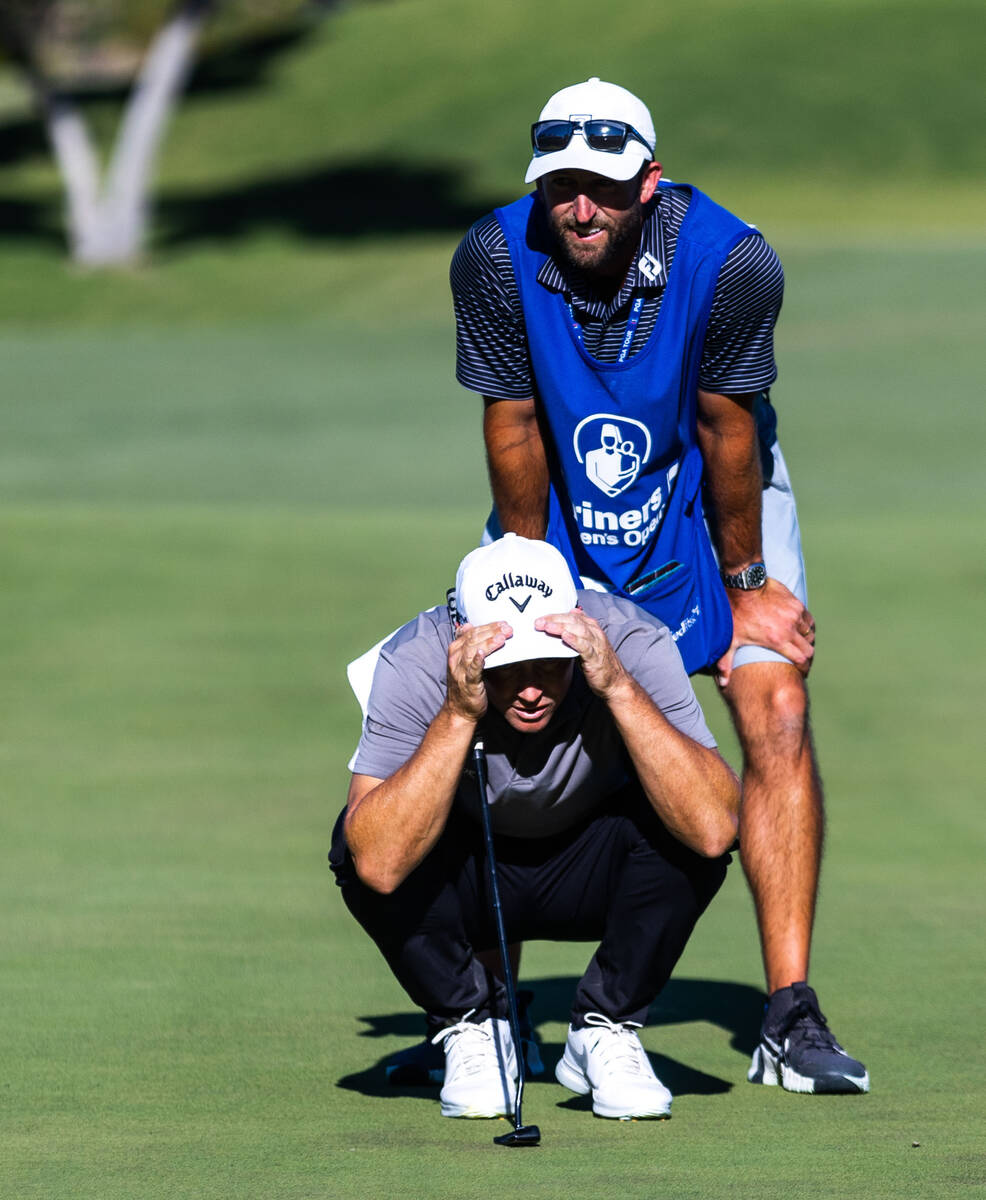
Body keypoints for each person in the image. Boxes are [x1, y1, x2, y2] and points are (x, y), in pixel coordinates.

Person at [449, 77, 869, 1094]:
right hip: (556, 481)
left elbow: (727, 431)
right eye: (559, 187)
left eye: (599, 186)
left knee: (770, 704)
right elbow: (509, 425)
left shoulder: (729, 260)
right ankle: (482, 1007)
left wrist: (747, 587)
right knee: (510, 694)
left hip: (710, 486)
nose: (578, 207)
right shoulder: (493, 256)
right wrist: (526, 582)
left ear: (647, 179)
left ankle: (786, 1014)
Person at [331, 534, 739, 1121]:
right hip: (469, 870)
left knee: (693, 817)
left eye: (549, 666)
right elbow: (376, 860)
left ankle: (606, 1027)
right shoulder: (415, 659)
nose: (529, 691)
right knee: (355, 839)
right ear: (464, 635)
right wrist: (458, 712)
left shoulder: (631, 640)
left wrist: (618, 686)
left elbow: (713, 827)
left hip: (592, 863)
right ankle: (473, 1024)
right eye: (506, 669)